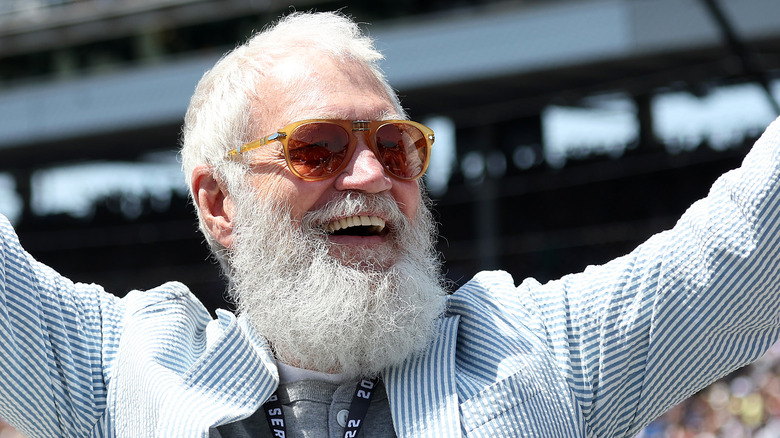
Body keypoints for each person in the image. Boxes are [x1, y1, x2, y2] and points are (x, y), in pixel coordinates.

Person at [2, 10, 780, 438]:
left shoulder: (541, 350)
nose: (371, 177)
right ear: (218, 203)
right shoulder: (118, 370)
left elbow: (744, 249)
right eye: (318, 149)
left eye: (396, 147)